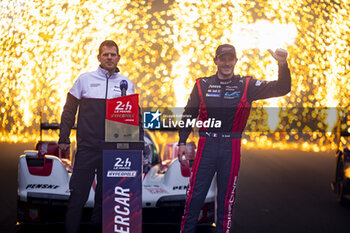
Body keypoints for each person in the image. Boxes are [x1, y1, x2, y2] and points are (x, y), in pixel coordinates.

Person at [177, 44, 291, 233]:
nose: (227, 63)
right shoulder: (202, 84)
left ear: (236, 61)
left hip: (231, 146)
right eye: (223, 59)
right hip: (206, 145)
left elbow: (282, 88)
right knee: (194, 198)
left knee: (226, 201)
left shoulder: (246, 85)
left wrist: (282, 64)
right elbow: (189, 114)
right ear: (216, 61)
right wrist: (182, 141)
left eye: (230, 59)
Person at [58, 40, 137, 233]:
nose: (109, 57)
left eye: (113, 54)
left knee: (106, 199)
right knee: (78, 197)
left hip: (112, 151)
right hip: (87, 148)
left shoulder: (126, 83)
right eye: (105, 54)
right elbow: (69, 111)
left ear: (119, 57)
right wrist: (63, 138)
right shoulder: (84, 80)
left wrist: (136, 145)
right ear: (99, 57)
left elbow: (135, 118)